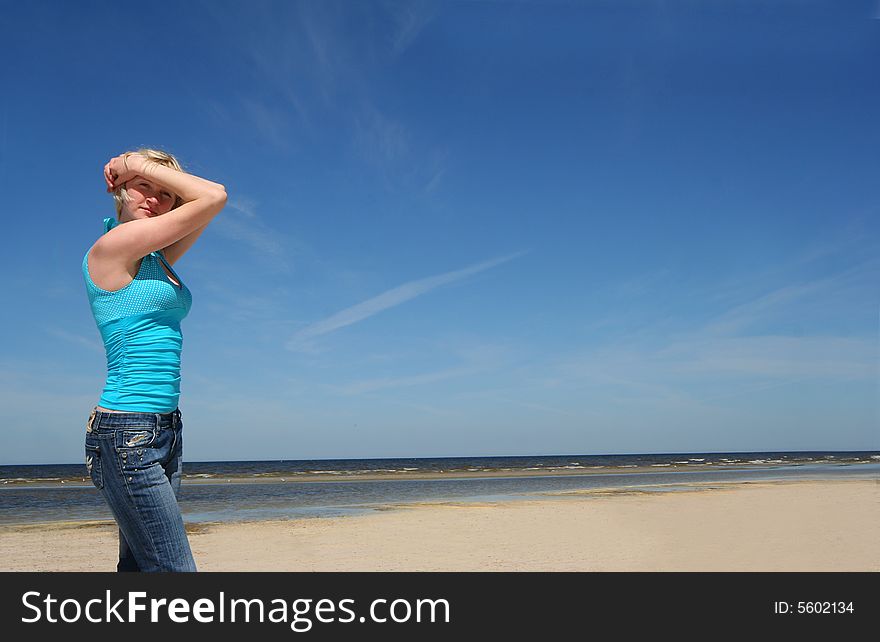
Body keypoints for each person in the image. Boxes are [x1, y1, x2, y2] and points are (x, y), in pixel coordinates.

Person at [82, 148, 227, 571]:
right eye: (143, 187)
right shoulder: (114, 245)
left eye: (165, 194)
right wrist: (133, 164)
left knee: (140, 568)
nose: (153, 198)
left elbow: (205, 207)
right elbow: (215, 196)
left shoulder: (157, 259)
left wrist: (145, 173)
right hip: (127, 432)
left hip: (164, 428)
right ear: (120, 192)